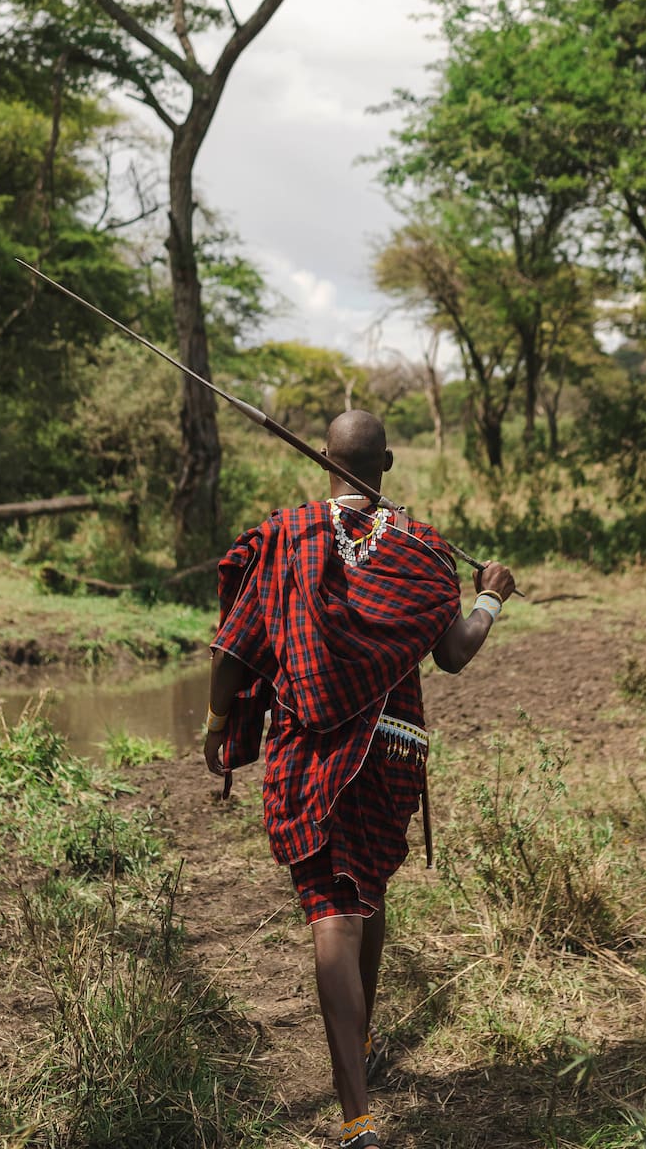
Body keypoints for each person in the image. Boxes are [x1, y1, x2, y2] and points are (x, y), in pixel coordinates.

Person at [202, 408, 516, 1149]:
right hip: (390, 748)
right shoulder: (421, 549)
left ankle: (357, 1116)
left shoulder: (286, 537)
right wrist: (491, 592)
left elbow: (232, 652)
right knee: (363, 895)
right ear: (389, 464)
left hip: (309, 747)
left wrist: (220, 724)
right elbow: (456, 652)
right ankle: (363, 1049)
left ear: (323, 460)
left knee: (332, 911)